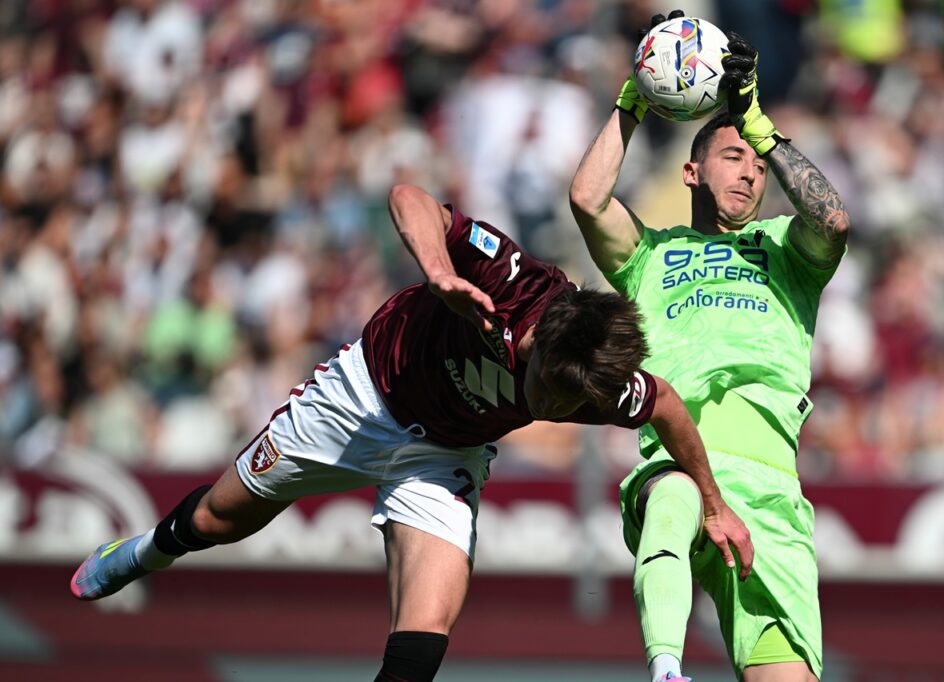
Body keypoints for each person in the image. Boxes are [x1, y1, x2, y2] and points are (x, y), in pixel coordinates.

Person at [70, 183, 753, 682]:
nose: (547, 404)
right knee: (217, 520)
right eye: (546, 385)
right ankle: (144, 552)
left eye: (565, 401)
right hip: (362, 396)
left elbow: (667, 406)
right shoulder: (511, 281)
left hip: (444, 453)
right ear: (544, 340)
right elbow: (410, 197)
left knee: (423, 640)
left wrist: (715, 504)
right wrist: (439, 272)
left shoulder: (594, 381)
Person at [569, 11, 850, 682]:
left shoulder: (785, 249)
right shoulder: (650, 255)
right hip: (679, 454)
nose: (750, 174)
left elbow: (834, 219)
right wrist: (636, 97)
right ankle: (667, 670)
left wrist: (760, 128)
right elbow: (587, 199)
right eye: (732, 157)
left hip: (772, 489)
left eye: (758, 165)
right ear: (691, 172)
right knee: (673, 495)